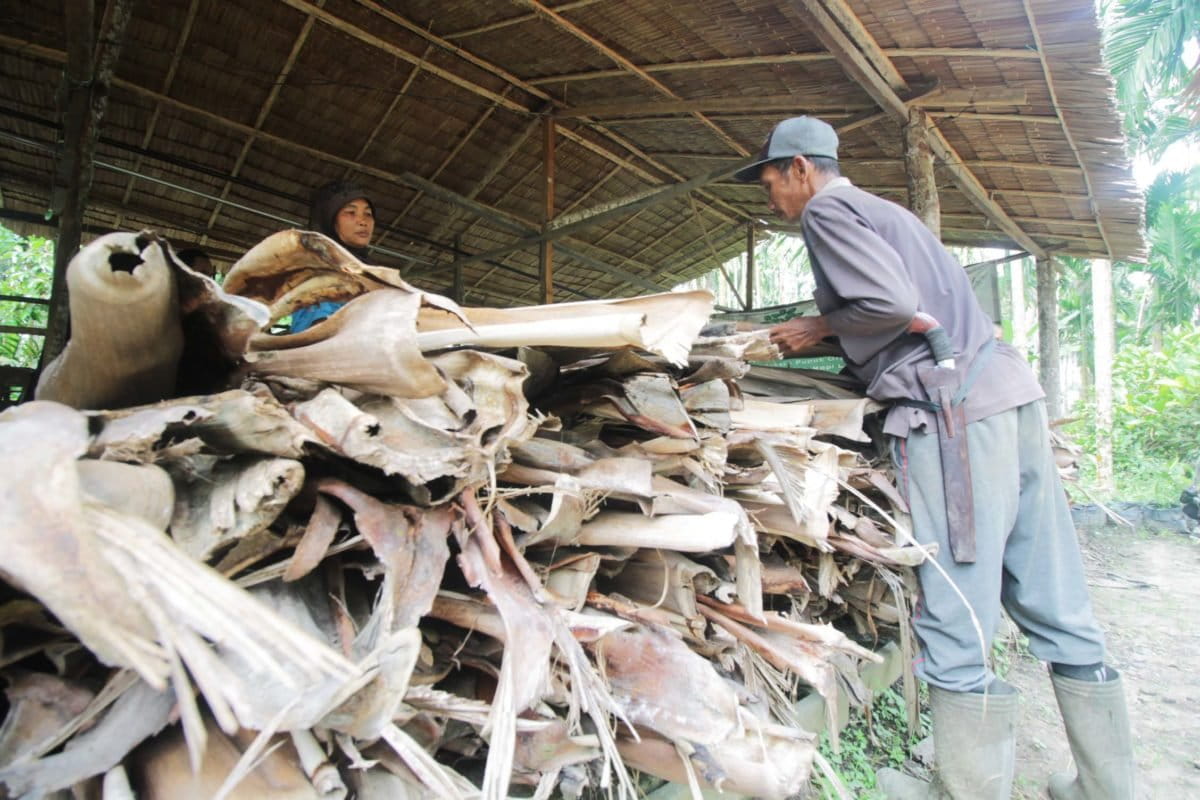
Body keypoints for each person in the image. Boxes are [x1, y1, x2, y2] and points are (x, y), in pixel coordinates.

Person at [736, 116, 1134, 800]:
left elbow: (889, 306)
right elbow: (916, 308)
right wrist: (833, 337)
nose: (771, 197)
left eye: (771, 180)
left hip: (954, 414)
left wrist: (816, 325)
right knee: (1055, 598)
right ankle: (1106, 787)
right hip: (1007, 396)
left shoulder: (828, 212)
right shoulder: (884, 212)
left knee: (957, 606)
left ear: (800, 169)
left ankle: (966, 790)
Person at [290, 180, 377, 333]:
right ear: (331, 220)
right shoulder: (316, 268)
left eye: (368, 214)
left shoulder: (373, 273)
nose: (363, 221)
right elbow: (317, 330)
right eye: (351, 212)